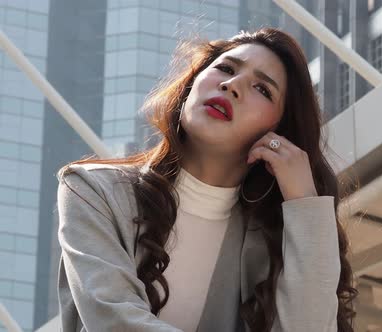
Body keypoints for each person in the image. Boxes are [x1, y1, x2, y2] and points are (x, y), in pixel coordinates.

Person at [56, 27, 358, 332]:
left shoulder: (269, 240)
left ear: (278, 132)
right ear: (190, 87)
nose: (232, 85)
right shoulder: (92, 191)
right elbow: (114, 320)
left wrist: (305, 202)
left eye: (262, 89)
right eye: (225, 69)